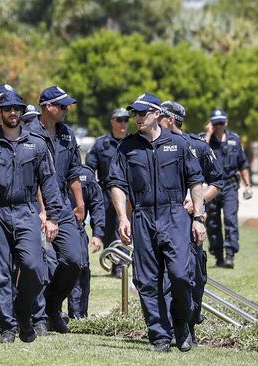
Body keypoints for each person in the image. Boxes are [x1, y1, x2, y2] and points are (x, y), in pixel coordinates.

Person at [107, 93, 206, 352]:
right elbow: (116, 184)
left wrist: (198, 217)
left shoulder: (179, 144)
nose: (137, 118)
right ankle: (160, 336)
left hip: (174, 215)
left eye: (143, 113)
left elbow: (195, 181)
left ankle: (182, 323)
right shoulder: (127, 147)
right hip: (142, 215)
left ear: (158, 115)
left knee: (181, 275)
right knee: (147, 280)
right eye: (135, 114)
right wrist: (122, 217)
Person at [0, 90, 63, 343]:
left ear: (21, 112)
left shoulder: (37, 144)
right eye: (7, 109)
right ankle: (7, 328)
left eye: (17, 109)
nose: (13, 113)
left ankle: (23, 311)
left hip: (27, 211)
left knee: (34, 267)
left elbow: (50, 183)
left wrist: (52, 216)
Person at [158, 100, 224, 346]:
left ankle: (189, 323)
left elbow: (217, 181)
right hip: (162, 221)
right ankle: (170, 330)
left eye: (160, 116)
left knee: (193, 276)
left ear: (170, 120)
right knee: (164, 277)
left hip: (189, 222)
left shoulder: (197, 147)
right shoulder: (153, 148)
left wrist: (197, 204)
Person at [26, 86, 84, 334]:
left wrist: (79, 203)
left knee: (74, 259)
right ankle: (37, 316)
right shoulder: (28, 134)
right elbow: (34, 175)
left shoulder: (67, 135)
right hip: (33, 203)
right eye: (62, 106)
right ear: (48, 107)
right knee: (36, 263)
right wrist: (42, 210)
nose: (65, 110)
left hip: (61, 202)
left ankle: (52, 304)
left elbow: (73, 171)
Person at [202, 109, 252, 269]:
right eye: (215, 123)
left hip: (230, 185)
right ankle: (218, 256)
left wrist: (248, 185)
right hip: (212, 186)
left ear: (226, 122)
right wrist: (208, 133)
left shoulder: (234, 140)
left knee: (230, 219)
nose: (218, 126)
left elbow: (243, 164)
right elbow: (198, 151)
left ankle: (230, 254)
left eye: (221, 123)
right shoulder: (206, 140)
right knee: (212, 222)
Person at [86, 107, 130, 278]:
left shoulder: (132, 143)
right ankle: (116, 265)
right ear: (112, 121)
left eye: (126, 119)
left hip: (128, 193)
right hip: (105, 193)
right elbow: (89, 168)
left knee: (125, 229)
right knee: (110, 230)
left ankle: (122, 265)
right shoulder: (101, 144)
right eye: (119, 120)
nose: (123, 123)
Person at [66, 164, 105, 319]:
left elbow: (97, 205)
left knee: (80, 270)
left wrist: (98, 233)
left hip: (76, 228)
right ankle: (43, 317)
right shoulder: (43, 164)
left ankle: (78, 316)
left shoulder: (85, 175)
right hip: (47, 227)